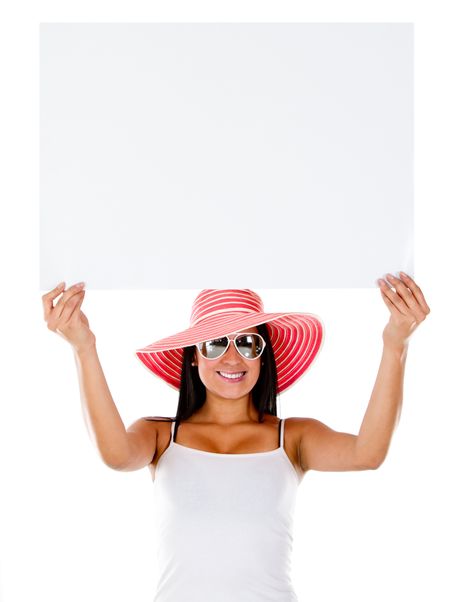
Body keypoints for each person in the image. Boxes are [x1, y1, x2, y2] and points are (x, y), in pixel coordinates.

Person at [42, 275, 430, 602]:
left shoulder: (291, 437)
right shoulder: (161, 434)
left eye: (247, 343)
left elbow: (368, 452)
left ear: (263, 355)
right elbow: (115, 454)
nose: (232, 359)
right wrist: (83, 347)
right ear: (194, 356)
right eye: (215, 343)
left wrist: (396, 343)